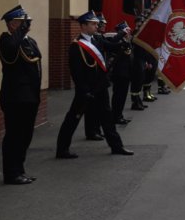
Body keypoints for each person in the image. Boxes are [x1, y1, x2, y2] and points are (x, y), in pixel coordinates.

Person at [56, 11, 134, 158]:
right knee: (73, 118)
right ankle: (62, 149)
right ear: (83, 26)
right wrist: (83, 89)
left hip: (100, 86)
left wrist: (122, 42)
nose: (96, 26)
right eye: (93, 24)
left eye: (96, 24)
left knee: (107, 117)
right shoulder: (77, 45)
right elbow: (76, 71)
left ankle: (116, 146)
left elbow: (111, 46)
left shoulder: (96, 39)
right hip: (86, 89)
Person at [0, 5, 42, 185]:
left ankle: (20, 169)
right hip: (14, 97)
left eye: (26, 22)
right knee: (14, 135)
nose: (26, 25)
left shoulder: (29, 41)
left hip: (30, 96)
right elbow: (9, 54)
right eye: (21, 22)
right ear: (11, 24)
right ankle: (11, 173)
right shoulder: (6, 40)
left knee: (26, 135)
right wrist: (20, 31)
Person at [110, 21, 134, 125]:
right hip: (119, 74)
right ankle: (116, 116)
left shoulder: (127, 41)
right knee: (118, 97)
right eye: (126, 31)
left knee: (123, 97)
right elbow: (113, 43)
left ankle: (119, 115)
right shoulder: (117, 42)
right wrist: (121, 35)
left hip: (126, 74)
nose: (129, 33)